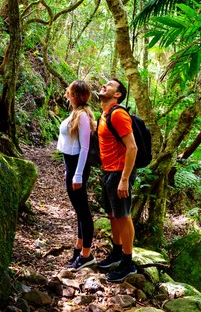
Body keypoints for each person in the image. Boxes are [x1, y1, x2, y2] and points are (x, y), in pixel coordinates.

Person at [95, 78, 139, 282]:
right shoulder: (104, 114)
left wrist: (124, 179)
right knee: (113, 215)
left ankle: (128, 264)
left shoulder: (119, 114)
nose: (104, 85)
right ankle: (117, 252)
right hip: (109, 172)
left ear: (118, 94)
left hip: (120, 173)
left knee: (124, 216)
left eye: (110, 85)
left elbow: (132, 148)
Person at [57, 80, 97, 270]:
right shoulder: (76, 113)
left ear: (75, 95)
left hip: (77, 166)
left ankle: (86, 255)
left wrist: (78, 174)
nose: (67, 94)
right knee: (79, 210)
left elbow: (85, 147)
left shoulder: (82, 116)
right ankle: (79, 247)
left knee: (83, 211)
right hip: (71, 165)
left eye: (70, 92)